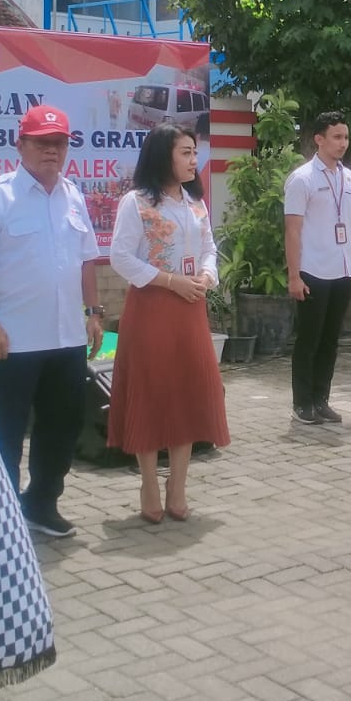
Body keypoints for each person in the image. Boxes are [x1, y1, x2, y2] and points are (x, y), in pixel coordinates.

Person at [0, 104, 104, 539]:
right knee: (6, 431)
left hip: (66, 338)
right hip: (14, 340)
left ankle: (41, 503)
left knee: (62, 427)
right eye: (42, 143)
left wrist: (93, 314)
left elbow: (87, 260)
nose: (52, 152)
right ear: (20, 145)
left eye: (59, 144)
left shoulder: (73, 195)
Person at [107, 123, 230, 522]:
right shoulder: (137, 203)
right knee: (151, 393)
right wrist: (171, 282)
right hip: (152, 309)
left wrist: (208, 275)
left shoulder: (195, 202)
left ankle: (177, 486)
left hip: (191, 309)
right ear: (164, 156)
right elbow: (121, 258)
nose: (194, 160)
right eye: (185, 153)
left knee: (188, 393)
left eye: (195, 152)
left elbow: (210, 247)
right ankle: (148, 483)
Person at [283, 110, 351, 425]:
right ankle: (302, 403)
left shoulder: (349, 177)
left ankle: (321, 400)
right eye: (336, 137)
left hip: (342, 270)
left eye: (345, 136)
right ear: (319, 140)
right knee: (309, 340)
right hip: (313, 270)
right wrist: (294, 275)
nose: (343, 143)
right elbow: (292, 230)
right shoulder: (302, 179)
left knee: (331, 340)